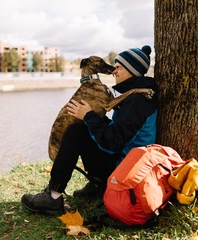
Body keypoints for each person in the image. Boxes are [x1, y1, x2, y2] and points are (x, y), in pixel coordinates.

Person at [21, 45, 158, 215]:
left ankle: (53, 197)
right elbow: (119, 132)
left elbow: (113, 142)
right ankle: (97, 182)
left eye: (118, 67)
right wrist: (90, 118)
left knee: (75, 132)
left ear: (132, 70)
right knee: (83, 129)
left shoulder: (138, 101)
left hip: (124, 169)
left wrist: (89, 116)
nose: (114, 72)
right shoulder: (136, 96)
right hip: (123, 161)